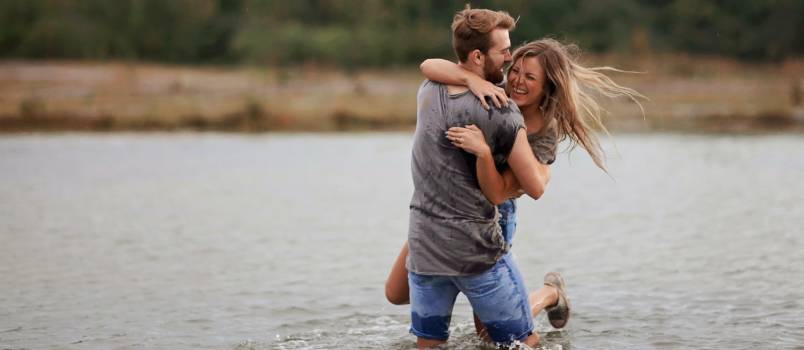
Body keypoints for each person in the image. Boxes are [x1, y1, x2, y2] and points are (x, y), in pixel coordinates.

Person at [389, 28, 645, 348]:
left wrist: (515, 168)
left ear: (547, 85)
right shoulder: (496, 90)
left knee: (491, 334)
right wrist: (473, 80)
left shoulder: (543, 131)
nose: (518, 82)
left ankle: (550, 294)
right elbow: (429, 66)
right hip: (444, 209)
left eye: (530, 78)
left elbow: (521, 187)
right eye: (516, 72)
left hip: (492, 214)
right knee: (396, 293)